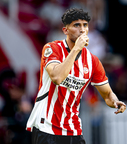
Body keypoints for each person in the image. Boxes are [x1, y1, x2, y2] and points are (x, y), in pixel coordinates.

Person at [26, 8, 126, 144]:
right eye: (76, 25)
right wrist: (76, 49)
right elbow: (57, 78)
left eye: (85, 25)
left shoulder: (93, 61)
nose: (82, 29)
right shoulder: (52, 49)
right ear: (65, 30)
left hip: (73, 129)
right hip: (46, 128)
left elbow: (107, 94)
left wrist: (114, 101)